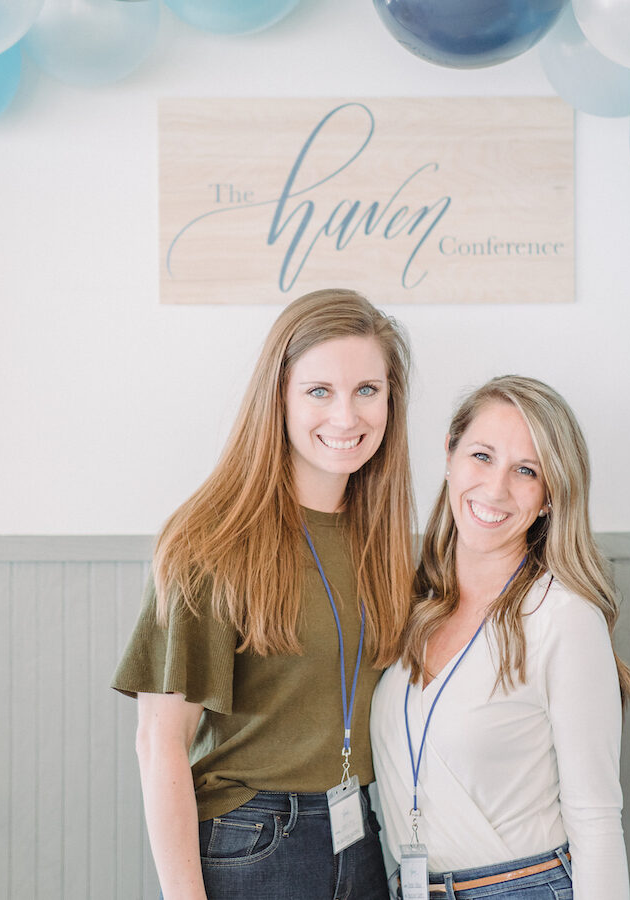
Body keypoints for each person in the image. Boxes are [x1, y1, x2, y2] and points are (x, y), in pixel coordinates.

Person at [112, 288, 415, 900]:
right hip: (256, 842)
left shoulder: (386, 541)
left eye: (367, 390)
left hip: (362, 831)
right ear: (277, 397)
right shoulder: (212, 540)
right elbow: (159, 741)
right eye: (319, 391)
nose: (346, 416)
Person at [371, 375, 630, 900]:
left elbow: (596, 817)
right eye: (481, 456)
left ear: (549, 497)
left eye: (526, 471)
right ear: (449, 456)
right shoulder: (410, 603)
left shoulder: (563, 615)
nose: (495, 489)